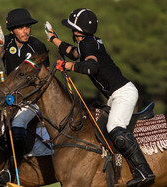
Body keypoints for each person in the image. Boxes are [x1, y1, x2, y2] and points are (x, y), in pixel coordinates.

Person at [44, 8, 155, 187]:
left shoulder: (87, 44)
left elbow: (91, 67)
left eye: (72, 28)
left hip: (123, 93)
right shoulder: (88, 43)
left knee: (114, 127)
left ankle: (144, 170)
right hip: (116, 95)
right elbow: (74, 52)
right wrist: (54, 39)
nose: (72, 32)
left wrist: (67, 66)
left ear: (79, 31)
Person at [0, 8, 50, 186]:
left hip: (32, 98)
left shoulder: (37, 46)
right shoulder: (5, 41)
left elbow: (44, 77)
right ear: (12, 31)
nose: (26, 31)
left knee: (17, 123)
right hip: (9, 98)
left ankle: (11, 172)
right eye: (21, 28)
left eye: (27, 27)